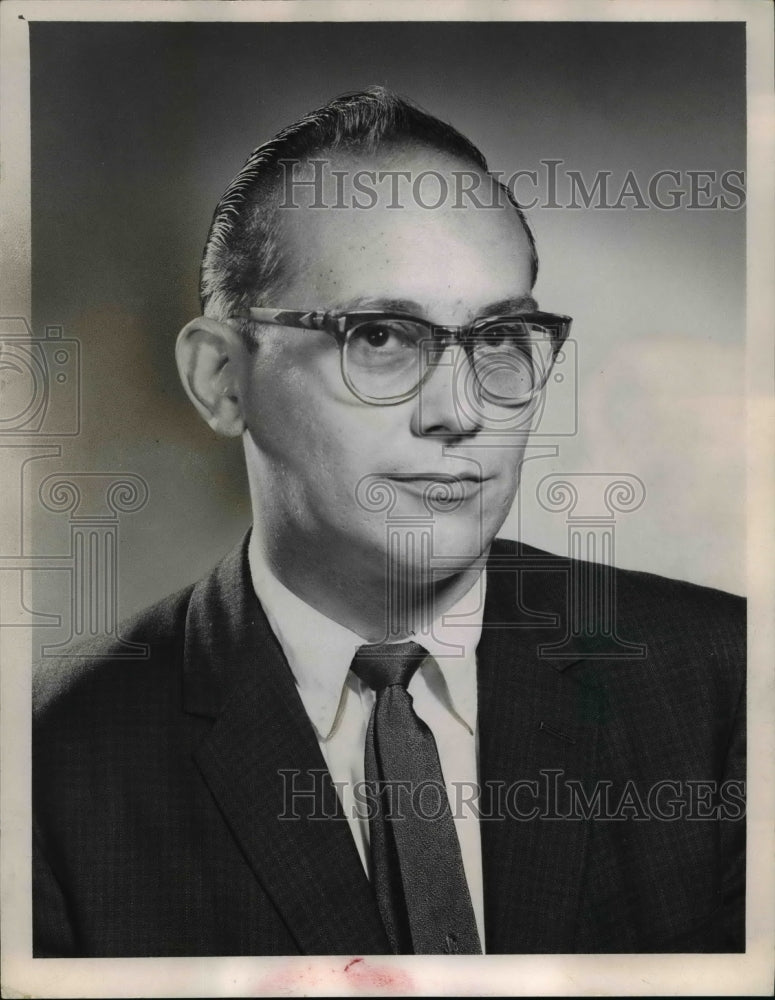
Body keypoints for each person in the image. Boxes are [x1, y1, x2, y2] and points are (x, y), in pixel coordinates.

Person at [33, 87, 745, 957]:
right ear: (222, 378)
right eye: (380, 337)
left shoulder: (729, 684)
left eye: (497, 339)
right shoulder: (51, 766)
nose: (459, 412)